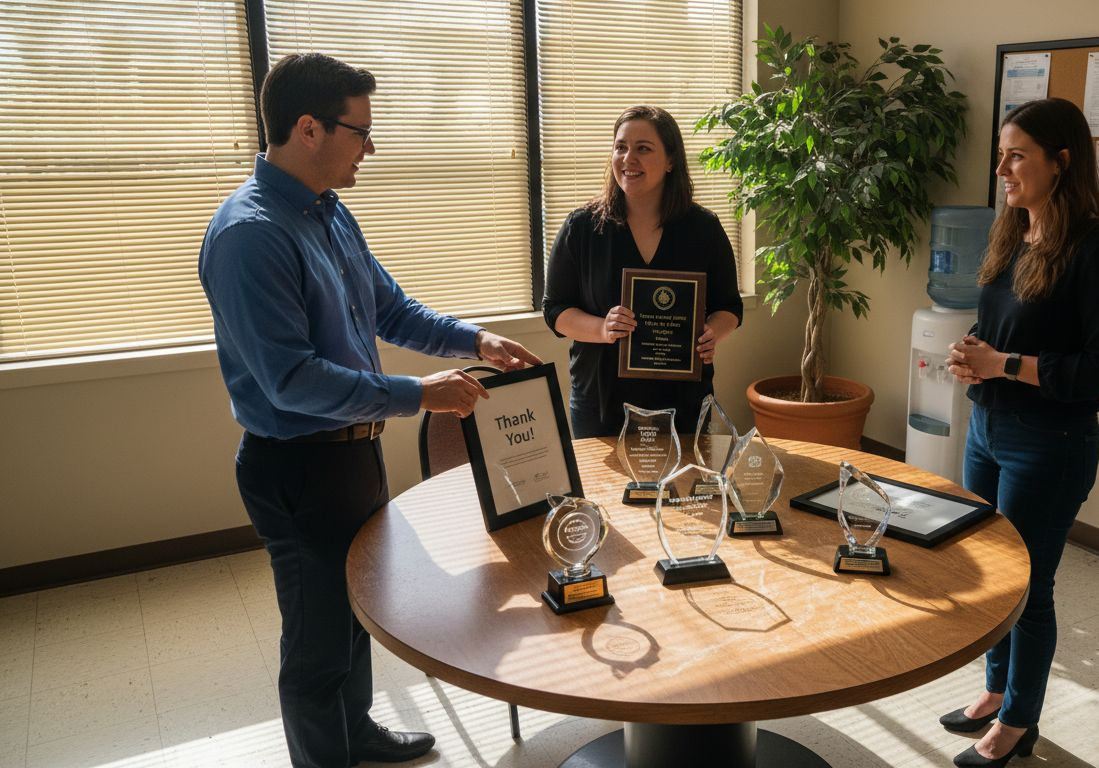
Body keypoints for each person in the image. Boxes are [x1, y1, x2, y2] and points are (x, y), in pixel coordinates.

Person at [198, 53, 542, 768]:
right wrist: (420, 395)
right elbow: (292, 381)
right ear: (309, 128)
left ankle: (356, 734)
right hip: (298, 467)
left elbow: (391, 309)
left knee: (357, 612)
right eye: (360, 131)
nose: (371, 148)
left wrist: (474, 339)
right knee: (317, 642)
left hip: (354, 454)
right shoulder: (250, 235)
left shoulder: (328, 212)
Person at [941, 97, 1099, 767]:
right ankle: (996, 691)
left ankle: (1019, 722)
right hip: (988, 427)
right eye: (1001, 155)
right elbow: (1005, 326)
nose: (1001, 169)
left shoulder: (1097, 253)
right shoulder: (1013, 233)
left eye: (1016, 156)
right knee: (992, 575)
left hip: (1049, 444)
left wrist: (1003, 364)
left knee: (1027, 588)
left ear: (1061, 162)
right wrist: (973, 353)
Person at [542, 105, 743, 437]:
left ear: (670, 161)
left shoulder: (704, 228)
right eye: (620, 147)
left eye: (643, 149)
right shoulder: (582, 228)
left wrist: (712, 332)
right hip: (601, 404)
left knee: (685, 475)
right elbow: (555, 309)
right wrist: (602, 328)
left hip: (683, 403)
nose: (628, 158)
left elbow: (730, 307)